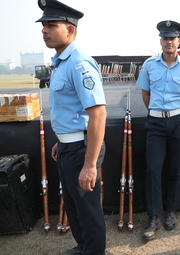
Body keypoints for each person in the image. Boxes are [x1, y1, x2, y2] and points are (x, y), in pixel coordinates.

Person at [36, 0, 107, 254]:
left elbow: (98, 114)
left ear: (70, 30)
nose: (44, 30)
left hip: (81, 150)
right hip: (68, 146)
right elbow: (72, 111)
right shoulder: (60, 62)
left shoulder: (79, 63)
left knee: (88, 209)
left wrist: (89, 165)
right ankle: (83, 247)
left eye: (51, 25)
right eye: (43, 25)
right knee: (73, 206)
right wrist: (62, 139)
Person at [136, 20, 180, 241]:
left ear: (179, 41)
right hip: (155, 123)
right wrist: (157, 112)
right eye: (165, 38)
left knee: (175, 169)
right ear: (161, 41)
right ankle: (153, 215)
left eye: (172, 38)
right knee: (153, 170)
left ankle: (171, 210)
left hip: (178, 122)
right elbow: (145, 94)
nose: (169, 42)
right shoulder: (149, 65)